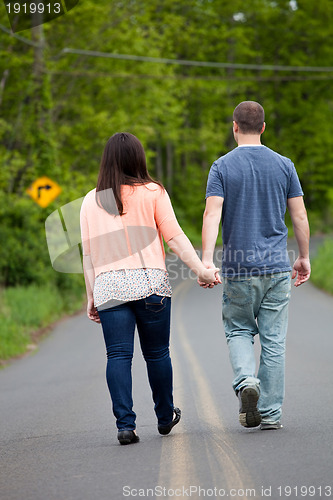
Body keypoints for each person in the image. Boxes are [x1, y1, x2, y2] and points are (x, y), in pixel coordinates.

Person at [80, 132, 219, 445]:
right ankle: (164, 415)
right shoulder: (154, 191)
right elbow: (175, 237)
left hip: (109, 286)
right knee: (157, 353)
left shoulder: (90, 201)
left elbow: (88, 256)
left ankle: (125, 425)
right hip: (149, 282)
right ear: (138, 159)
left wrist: (91, 295)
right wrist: (202, 271)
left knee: (117, 355)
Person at [200, 101, 310, 430]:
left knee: (238, 330)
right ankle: (271, 414)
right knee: (274, 341)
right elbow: (300, 215)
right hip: (277, 267)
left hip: (238, 269)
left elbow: (212, 214)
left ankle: (247, 380)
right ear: (263, 127)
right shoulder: (284, 165)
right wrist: (303, 257)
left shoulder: (221, 167)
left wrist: (206, 260)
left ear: (234, 126)